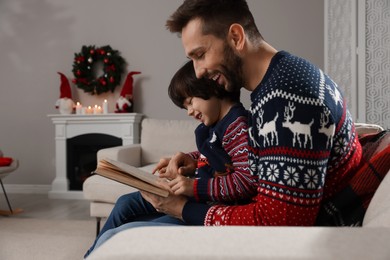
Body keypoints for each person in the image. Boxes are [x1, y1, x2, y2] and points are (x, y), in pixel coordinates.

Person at [140, 0, 369, 226]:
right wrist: (196, 159)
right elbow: (255, 162)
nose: (198, 73)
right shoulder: (283, 77)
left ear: (236, 37)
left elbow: (279, 222)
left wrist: (182, 209)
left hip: (304, 237)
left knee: (127, 234)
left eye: (200, 55)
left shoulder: (286, 97)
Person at [84, 60, 257, 257]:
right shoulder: (213, 126)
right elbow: (214, 157)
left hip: (208, 206)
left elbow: (246, 181)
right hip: (200, 197)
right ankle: (91, 254)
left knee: (142, 229)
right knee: (125, 202)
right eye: (186, 107)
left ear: (213, 87)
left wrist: (193, 187)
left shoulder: (237, 127)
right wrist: (188, 159)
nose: (190, 112)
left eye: (190, 102)